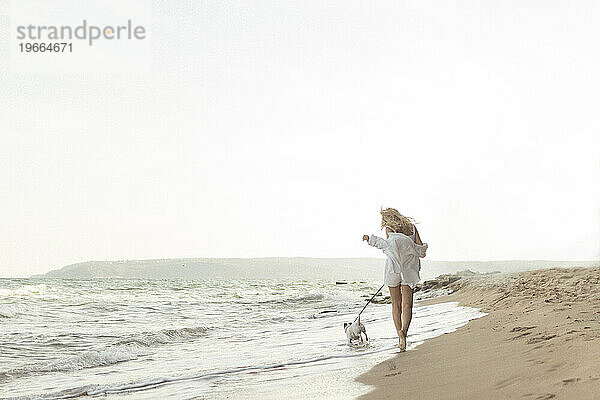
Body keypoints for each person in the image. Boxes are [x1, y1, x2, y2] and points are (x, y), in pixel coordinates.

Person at [362, 208, 428, 351]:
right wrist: (411, 250)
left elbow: (388, 246)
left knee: (396, 304)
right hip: (409, 269)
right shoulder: (412, 228)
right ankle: (404, 332)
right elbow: (421, 251)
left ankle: (399, 336)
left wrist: (371, 240)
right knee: (407, 305)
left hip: (393, 268)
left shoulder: (389, 228)